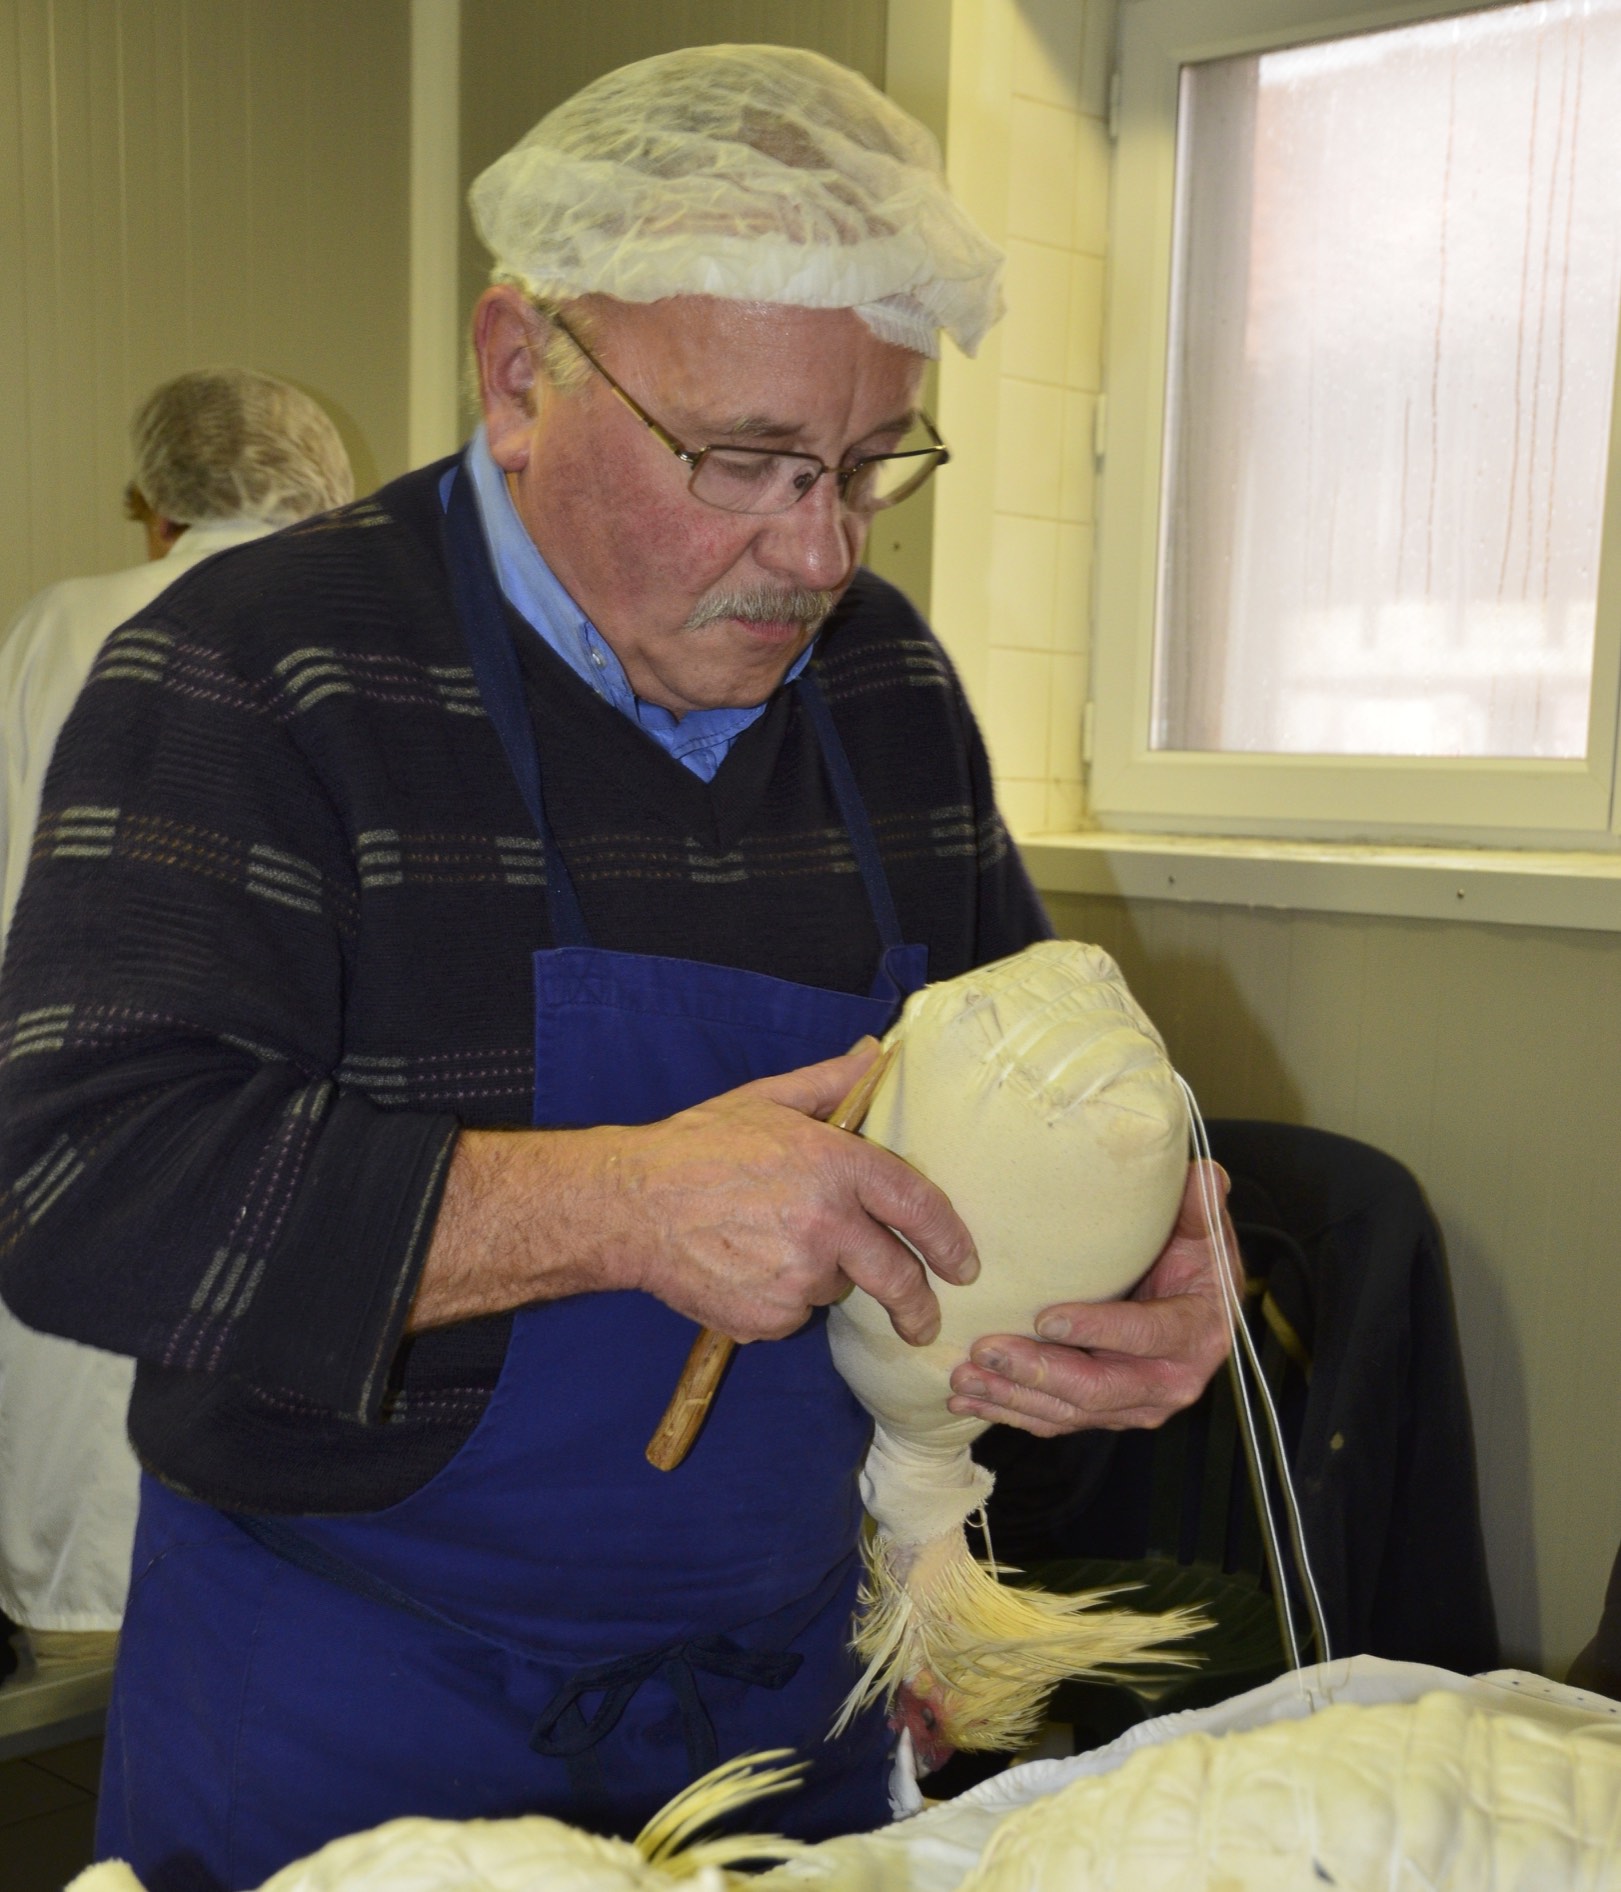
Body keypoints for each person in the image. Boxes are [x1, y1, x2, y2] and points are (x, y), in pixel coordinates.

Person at [0, 46, 1234, 1891]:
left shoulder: (883, 683)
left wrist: (1150, 1259)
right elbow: (79, 1189)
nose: (816, 549)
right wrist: (615, 1206)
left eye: (869, 463)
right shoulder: (255, 667)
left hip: (784, 1702)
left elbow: (1025, 1063)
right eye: (743, 460)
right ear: (521, 373)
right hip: (350, 1708)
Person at [0, 369, 353, 1684]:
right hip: (304, 1150)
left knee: (89, 1512)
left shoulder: (59, 627)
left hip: (76, 1120)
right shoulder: (364, 632)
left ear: (155, 505)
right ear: (326, 490)